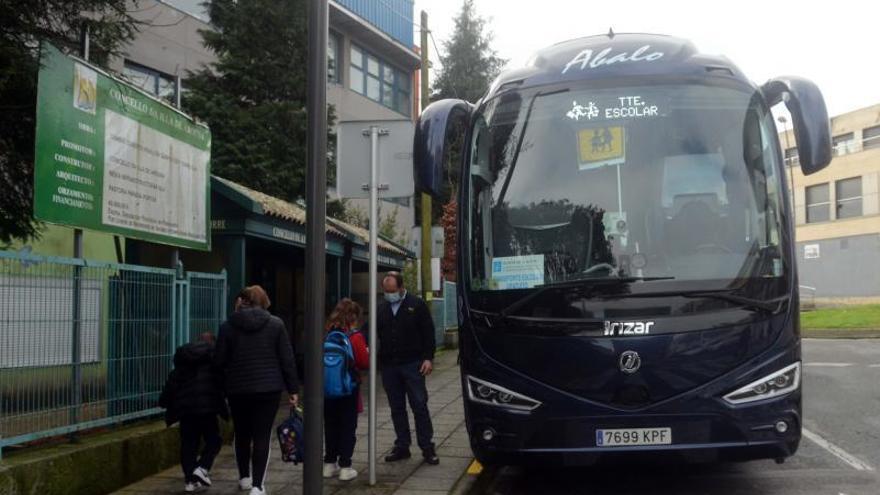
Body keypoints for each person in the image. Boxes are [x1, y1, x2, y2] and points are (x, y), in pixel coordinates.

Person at [215, 286, 299, 495]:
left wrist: (223, 386)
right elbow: (286, 359)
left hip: (238, 389)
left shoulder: (227, 326)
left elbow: (219, 362)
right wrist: (293, 389)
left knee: (242, 434)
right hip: (268, 389)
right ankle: (258, 485)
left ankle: (244, 477)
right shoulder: (276, 324)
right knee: (262, 435)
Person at [377, 271, 439, 465]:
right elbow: (371, 330)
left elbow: (428, 333)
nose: (389, 294)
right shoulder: (381, 308)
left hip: (413, 364)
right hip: (390, 366)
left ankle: (427, 447)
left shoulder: (417, 305)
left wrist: (428, 358)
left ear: (401, 288)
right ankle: (402, 446)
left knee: (419, 406)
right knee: (397, 408)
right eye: (386, 291)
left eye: (392, 291)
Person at [159, 332, 228, 493]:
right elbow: (222, 383)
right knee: (214, 440)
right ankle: (202, 468)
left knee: (188, 444)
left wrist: (164, 402)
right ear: (212, 344)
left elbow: (171, 385)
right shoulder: (213, 363)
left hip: (186, 411)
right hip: (207, 410)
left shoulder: (183, 362)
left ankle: (190, 480)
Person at [322, 298, 370, 481]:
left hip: (327, 388)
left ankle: (329, 463)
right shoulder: (354, 336)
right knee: (347, 426)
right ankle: (345, 466)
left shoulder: (328, 333)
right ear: (353, 316)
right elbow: (363, 362)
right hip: (348, 388)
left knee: (331, 425)